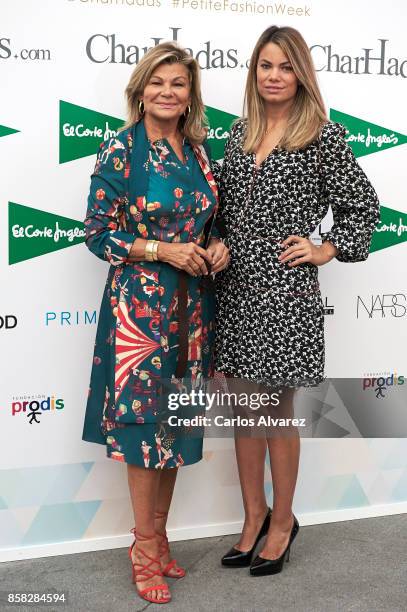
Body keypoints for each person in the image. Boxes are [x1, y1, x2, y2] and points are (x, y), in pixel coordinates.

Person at [213, 25, 380, 576]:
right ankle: (252, 516)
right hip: (235, 292)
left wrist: (325, 248)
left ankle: (283, 521)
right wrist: (215, 243)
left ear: (301, 73)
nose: (274, 76)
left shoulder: (322, 136)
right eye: (265, 65)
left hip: (286, 294)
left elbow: (363, 210)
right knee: (243, 412)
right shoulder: (236, 136)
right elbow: (222, 214)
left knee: (278, 414)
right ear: (254, 73)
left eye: (285, 66)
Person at [81, 42, 229, 604]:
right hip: (139, 316)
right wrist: (161, 251)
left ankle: (159, 538)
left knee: (175, 426)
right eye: (158, 82)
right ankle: (143, 548)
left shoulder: (197, 150)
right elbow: (97, 235)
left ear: (191, 95)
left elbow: (213, 221)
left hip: (193, 310)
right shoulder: (121, 150)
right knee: (145, 431)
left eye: (180, 84)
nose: (169, 92)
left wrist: (219, 246)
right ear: (140, 90)